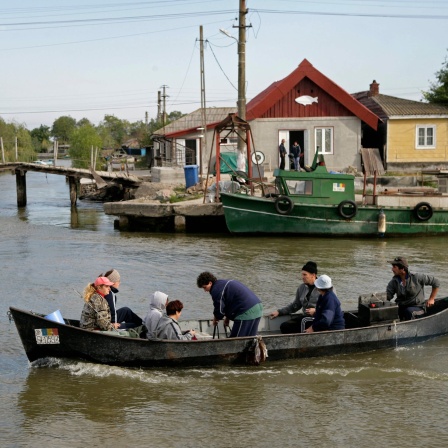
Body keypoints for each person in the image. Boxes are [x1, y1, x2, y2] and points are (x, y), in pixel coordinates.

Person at [197, 271, 263, 338]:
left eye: (205, 287)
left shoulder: (215, 290)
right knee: (251, 340)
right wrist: (227, 318)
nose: (205, 290)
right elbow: (229, 303)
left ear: (210, 283)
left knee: (235, 342)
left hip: (246, 311)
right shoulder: (222, 283)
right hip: (257, 308)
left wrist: (216, 318)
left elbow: (219, 310)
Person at [269, 261, 320, 334]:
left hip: (318, 318)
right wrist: (279, 312)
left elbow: (330, 308)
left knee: (286, 327)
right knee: (284, 326)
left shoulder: (324, 288)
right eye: (302, 275)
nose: (302, 277)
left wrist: (315, 310)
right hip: (305, 318)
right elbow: (295, 306)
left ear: (313, 275)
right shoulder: (301, 288)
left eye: (305, 275)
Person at [386, 256, 440, 321]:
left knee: (408, 312)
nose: (392, 269)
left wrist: (431, 299)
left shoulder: (416, 277)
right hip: (402, 307)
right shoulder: (394, 281)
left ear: (402, 269)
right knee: (390, 312)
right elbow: (388, 296)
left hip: (418, 307)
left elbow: (436, 282)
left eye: (394, 267)